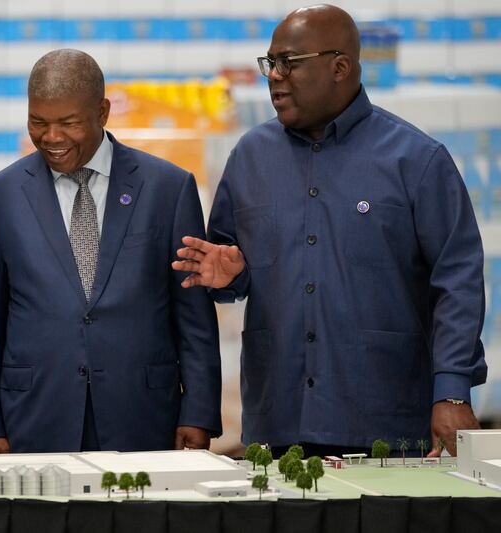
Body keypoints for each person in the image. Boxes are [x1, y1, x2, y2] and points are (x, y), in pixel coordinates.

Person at [173, 4, 487, 458]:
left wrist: (452, 390)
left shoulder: (417, 161)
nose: (275, 76)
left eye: (289, 63)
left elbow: (458, 281)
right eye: (270, 63)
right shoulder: (250, 158)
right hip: (279, 422)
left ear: (339, 66)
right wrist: (231, 276)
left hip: (386, 421)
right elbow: (228, 265)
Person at [0, 49, 221, 453]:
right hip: (33, 418)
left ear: (102, 112)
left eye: (68, 123)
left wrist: (199, 412)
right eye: (38, 122)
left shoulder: (168, 189)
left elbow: (194, 319)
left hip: (145, 416)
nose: (52, 137)